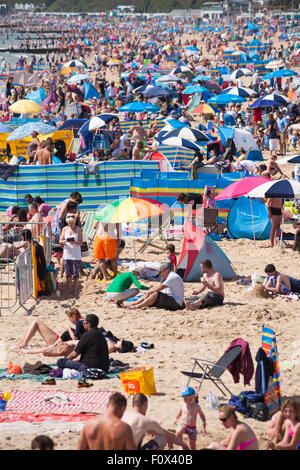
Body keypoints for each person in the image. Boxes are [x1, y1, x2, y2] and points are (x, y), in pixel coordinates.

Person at [122, 393, 189, 450]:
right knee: (163, 438)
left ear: (133, 404)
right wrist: (184, 445)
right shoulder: (144, 421)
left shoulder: (123, 415)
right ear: (145, 405)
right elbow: (168, 435)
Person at [15, 307, 85, 351]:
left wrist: (69, 328)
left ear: (73, 316)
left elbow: (75, 339)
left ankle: (23, 343)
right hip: (58, 340)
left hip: (55, 342)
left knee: (36, 322)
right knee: (35, 323)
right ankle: (21, 343)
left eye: (70, 319)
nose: (71, 321)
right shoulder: (83, 322)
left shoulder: (79, 322)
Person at [59, 212, 82, 295]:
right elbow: (60, 240)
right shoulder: (65, 229)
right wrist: (64, 241)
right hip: (67, 254)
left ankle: (75, 290)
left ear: (75, 222)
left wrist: (75, 242)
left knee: (76, 273)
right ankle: (68, 289)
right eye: (69, 223)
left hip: (76, 254)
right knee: (68, 273)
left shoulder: (78, 229)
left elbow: (81, 242)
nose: (71, 224)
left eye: (72, 223)